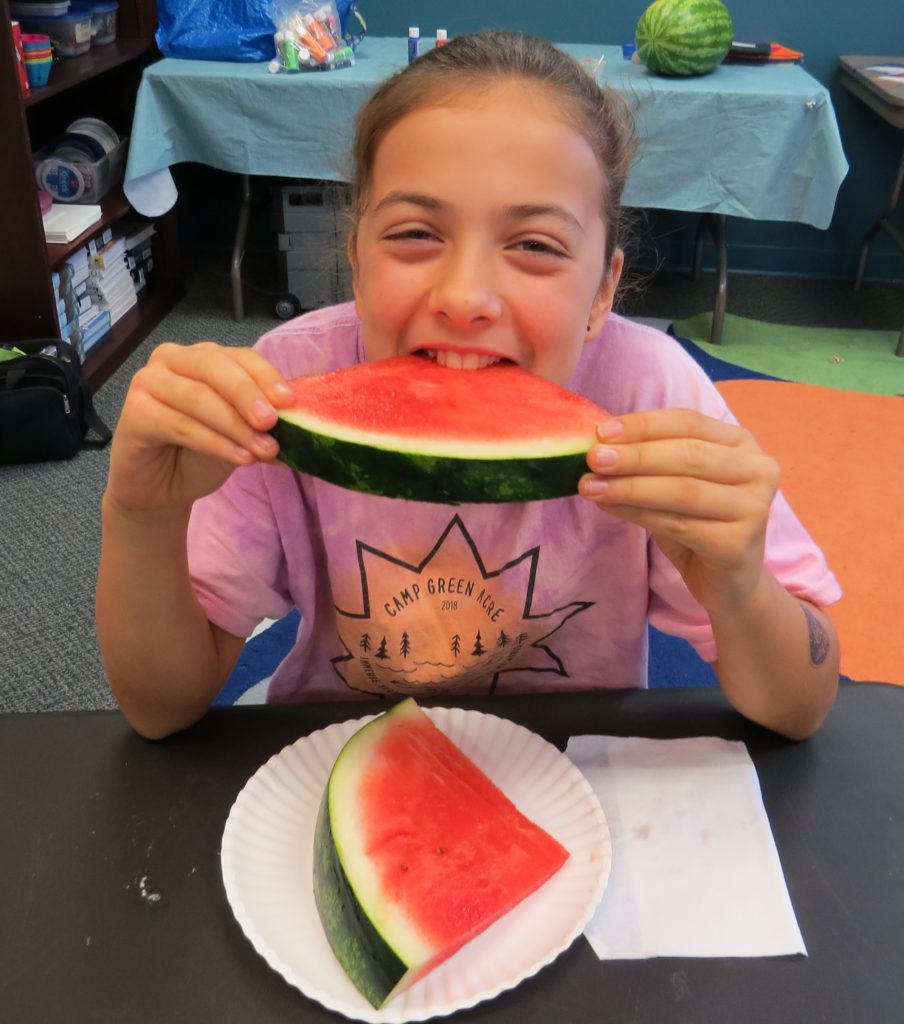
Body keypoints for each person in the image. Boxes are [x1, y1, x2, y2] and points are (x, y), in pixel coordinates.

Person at [97, 30, 840, 742]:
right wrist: (140, 517)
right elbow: (162, 710)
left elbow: (801, 709)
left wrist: (741, 587)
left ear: (604, 290)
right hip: (334, 748)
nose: (466, 296)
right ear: (355, 259)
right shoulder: (286, 385)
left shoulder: (650, 393)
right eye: (417, 233)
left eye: (535, 246)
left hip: (574, 773)